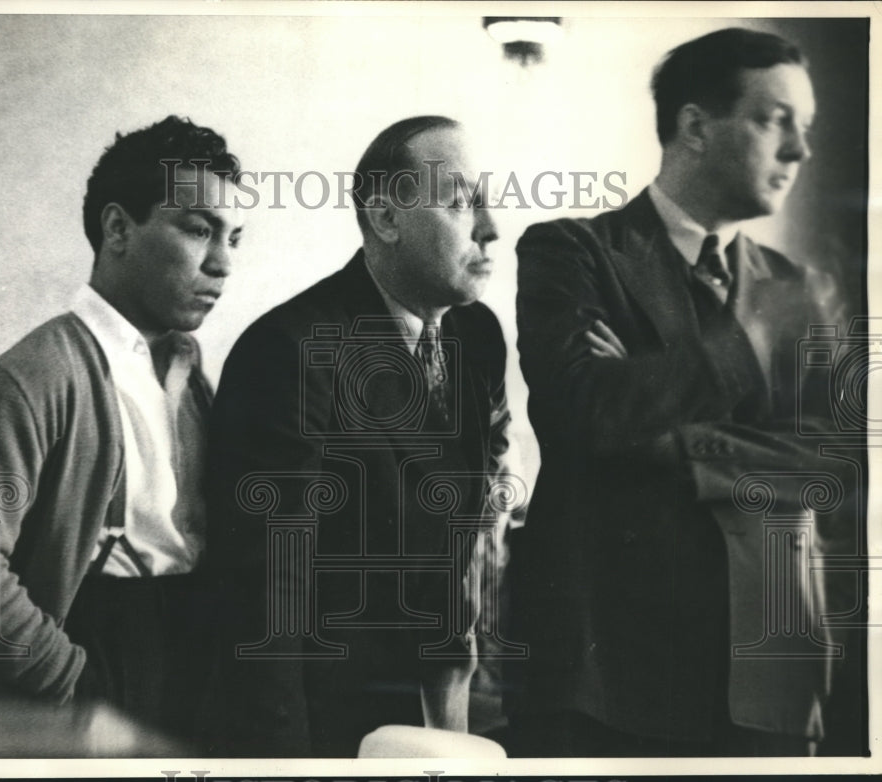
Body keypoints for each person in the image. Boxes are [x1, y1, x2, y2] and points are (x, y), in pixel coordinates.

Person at [508, 28, 853, 757]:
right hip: (613, 674)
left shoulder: (797, 286)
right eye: (774, 120)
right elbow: (582, 411)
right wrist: (747, 346)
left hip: (772, 663)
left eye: (806, 127)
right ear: (696, 126)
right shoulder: (572, 252)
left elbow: (830, 470)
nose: (800, 152)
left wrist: (654, 414)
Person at [0, 115, 245, 751]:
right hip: (93, 652)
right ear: (118, 228)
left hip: (189, 650)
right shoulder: (28, 377)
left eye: (234, 236)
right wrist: (70, 679)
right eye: (198, 230)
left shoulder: (191, 371)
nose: (222, 262)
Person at [206, 115, 510, 757]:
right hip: (343, 724)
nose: (490, 228)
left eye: (488, 200)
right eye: (460, 201)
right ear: (386, 217)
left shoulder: (476, 336)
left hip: (453, 702)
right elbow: (268, 599)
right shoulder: (290, 352)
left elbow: (479, 487)